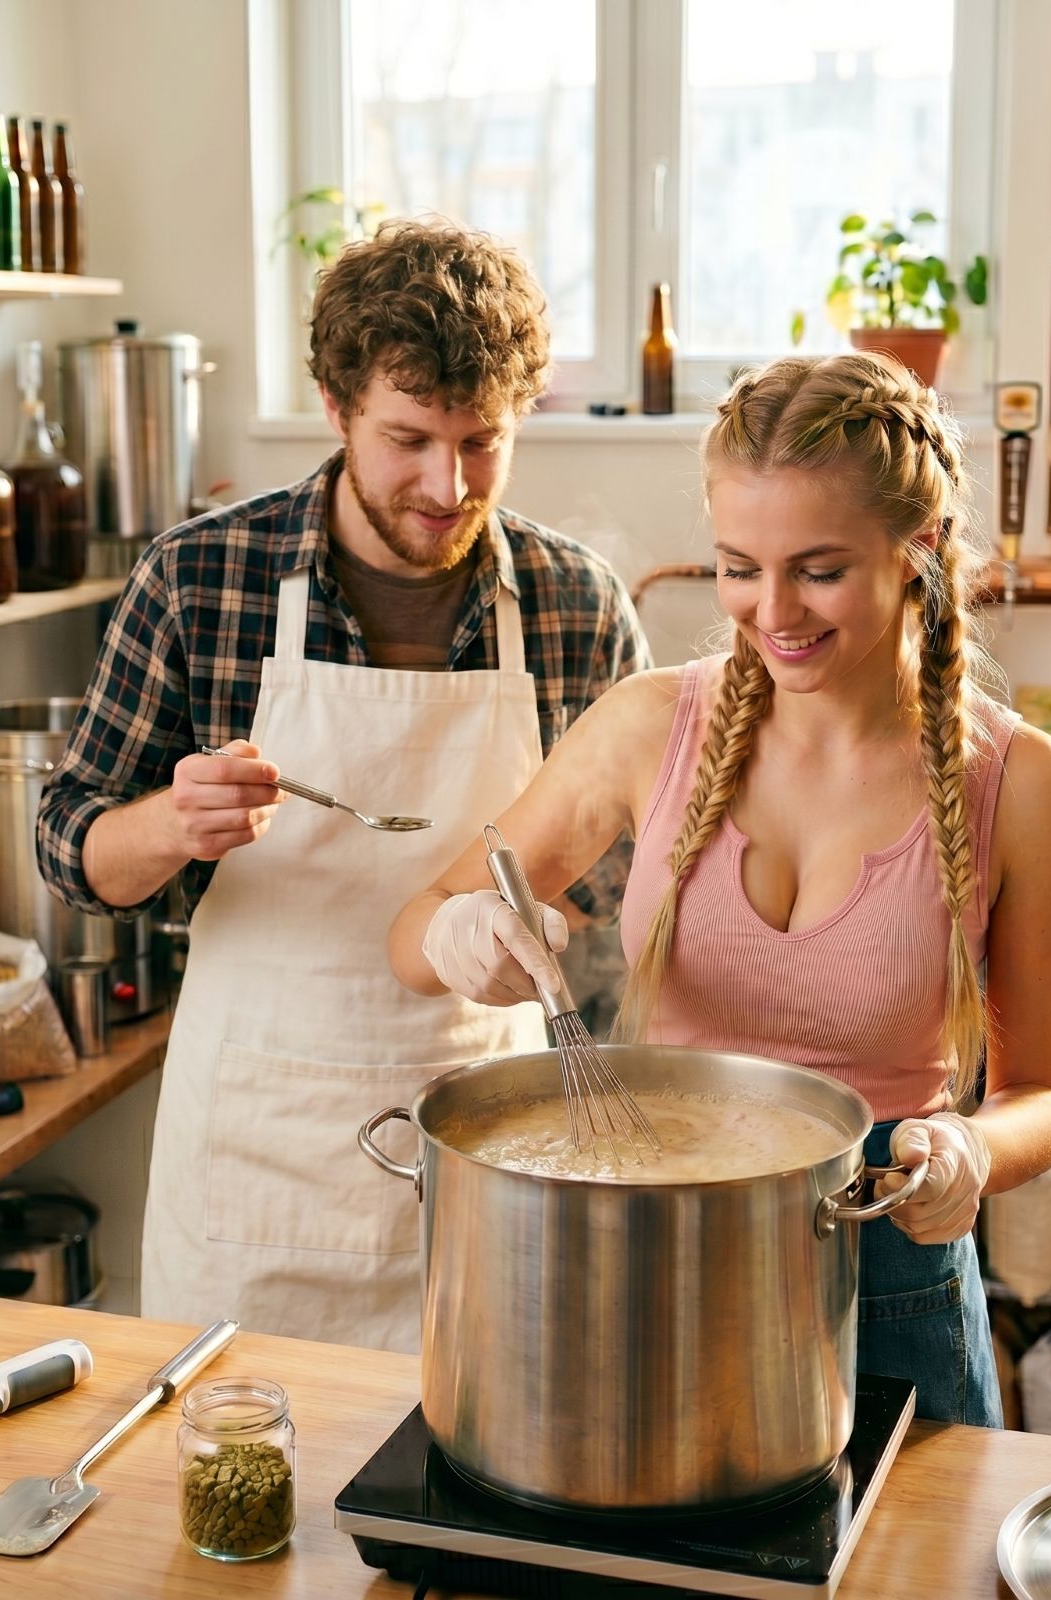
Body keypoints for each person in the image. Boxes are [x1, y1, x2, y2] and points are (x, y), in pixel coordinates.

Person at [390, 351, 1051, 1424]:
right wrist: (460, 939)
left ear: (921, 550)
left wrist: (966, 1151)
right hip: (658, 1262)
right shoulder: (646, 724)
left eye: (817, 569)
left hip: (890, 1269)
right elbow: (416, 924)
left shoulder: (1025, 783)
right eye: (736, 566)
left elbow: (1039, 1095)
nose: (772, 612)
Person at [37, 220, 649, 1351]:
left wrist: (530, 925)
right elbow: (71, 848)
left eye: (482, 443)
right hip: (259, 1159)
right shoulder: (201, 577)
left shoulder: (575, 603)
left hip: (491, 1130)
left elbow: (634, 858)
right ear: (335, 407)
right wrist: (173, 822)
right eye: (407, 438)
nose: (445, 484)